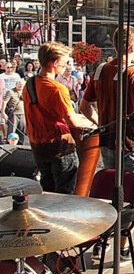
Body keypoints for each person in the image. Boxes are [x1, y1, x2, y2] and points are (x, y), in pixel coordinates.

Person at [80, 26, 134, 181]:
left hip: (107, 140)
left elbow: (84, 107)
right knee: (132, 193)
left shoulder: (100, 70)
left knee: (111, 188)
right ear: (132, 48)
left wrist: (101, 124)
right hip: (130, 143)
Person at [23, 41, 97, 194]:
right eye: (64, 63)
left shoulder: (29, 84)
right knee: (65, 194)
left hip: (38, 147)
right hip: (59, 147)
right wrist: (95, 124)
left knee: (47, 191)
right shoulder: (57, 89)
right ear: (54, 63)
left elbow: (53, 113)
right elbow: (72, 121)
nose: (65, 66)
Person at [3, 79, 26, 144]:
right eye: (19, 84)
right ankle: (9, 145)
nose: (20, 85)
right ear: (16, 84)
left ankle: (21, 145)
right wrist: (3, 113)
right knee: (12, 131)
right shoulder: (10, 92)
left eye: (22, 84)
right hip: (14, 114)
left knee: (22, 131)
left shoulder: (25, 92)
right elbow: (4, 102)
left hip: (23, 114)